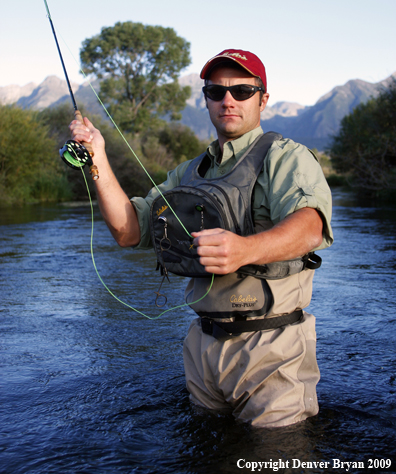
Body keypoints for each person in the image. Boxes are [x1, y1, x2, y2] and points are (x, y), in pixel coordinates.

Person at [69, 49, 333, 428]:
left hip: (272, 346)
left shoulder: (286, 157)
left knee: (277, 457)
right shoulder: (189, 172)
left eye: (243, 91)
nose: (229, 100)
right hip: (202, 346)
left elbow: (311, 226)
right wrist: (96, 158)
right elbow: (129, 231)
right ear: (206, 99)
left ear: (263, 99)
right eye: (216, 92)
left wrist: (245, 249)